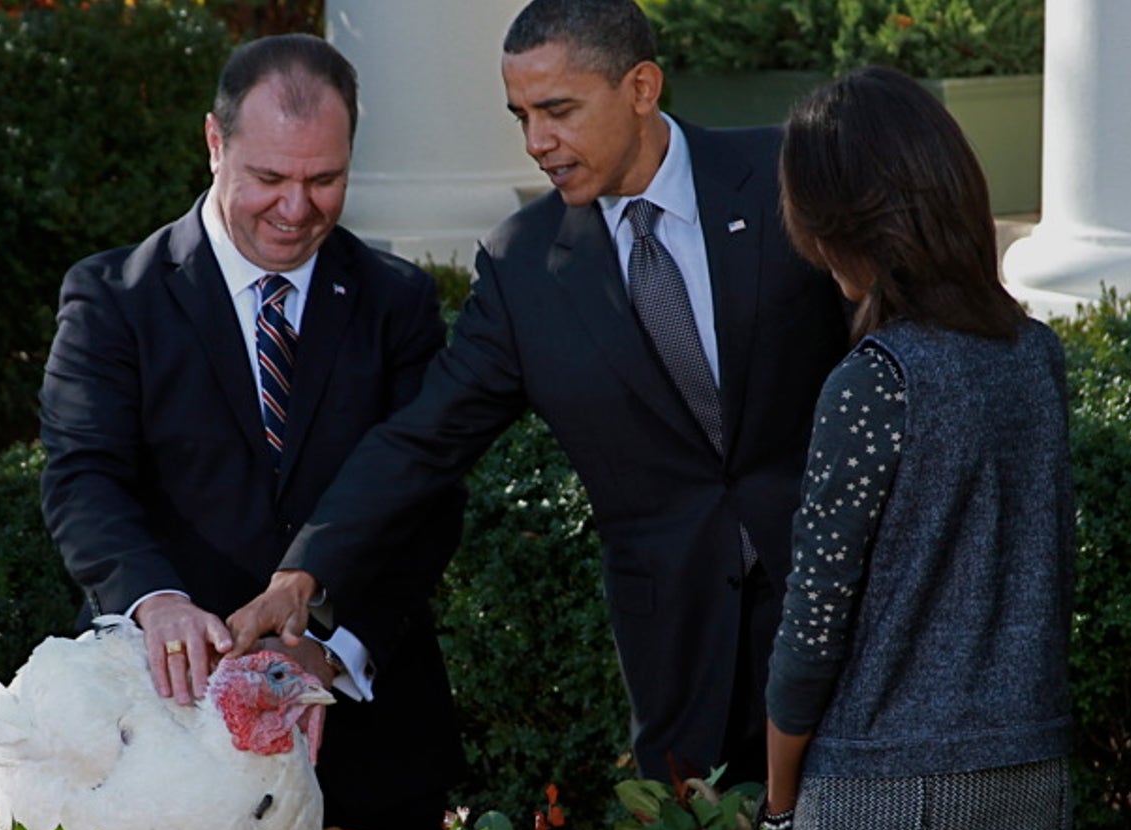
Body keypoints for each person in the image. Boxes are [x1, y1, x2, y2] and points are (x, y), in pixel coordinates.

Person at [229, 0, 849, 789]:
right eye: (522, 115)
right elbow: (422, 441)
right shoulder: (525, 268)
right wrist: (303, 574)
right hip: (681, 660)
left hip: (843, 616)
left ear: (642, 87)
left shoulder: (786, 179)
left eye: (558, 110)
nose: (537, 143)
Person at [38, 33, 467, 830]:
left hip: (369, 746)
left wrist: (331, 654)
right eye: (269, 177)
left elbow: (426, 499)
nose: (296, 208)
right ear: (214, 143)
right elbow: (82, 477)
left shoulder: (397, 303)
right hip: (167, 748)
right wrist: (156, 602)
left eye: (324, 179)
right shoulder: (112, 299)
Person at [758, 66, 1076, 830]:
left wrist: (777, 804)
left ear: (830, 222)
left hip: (875, 814)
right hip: (1021, 791)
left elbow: (813, 633)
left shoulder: (873, 384)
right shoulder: (1036, 359)